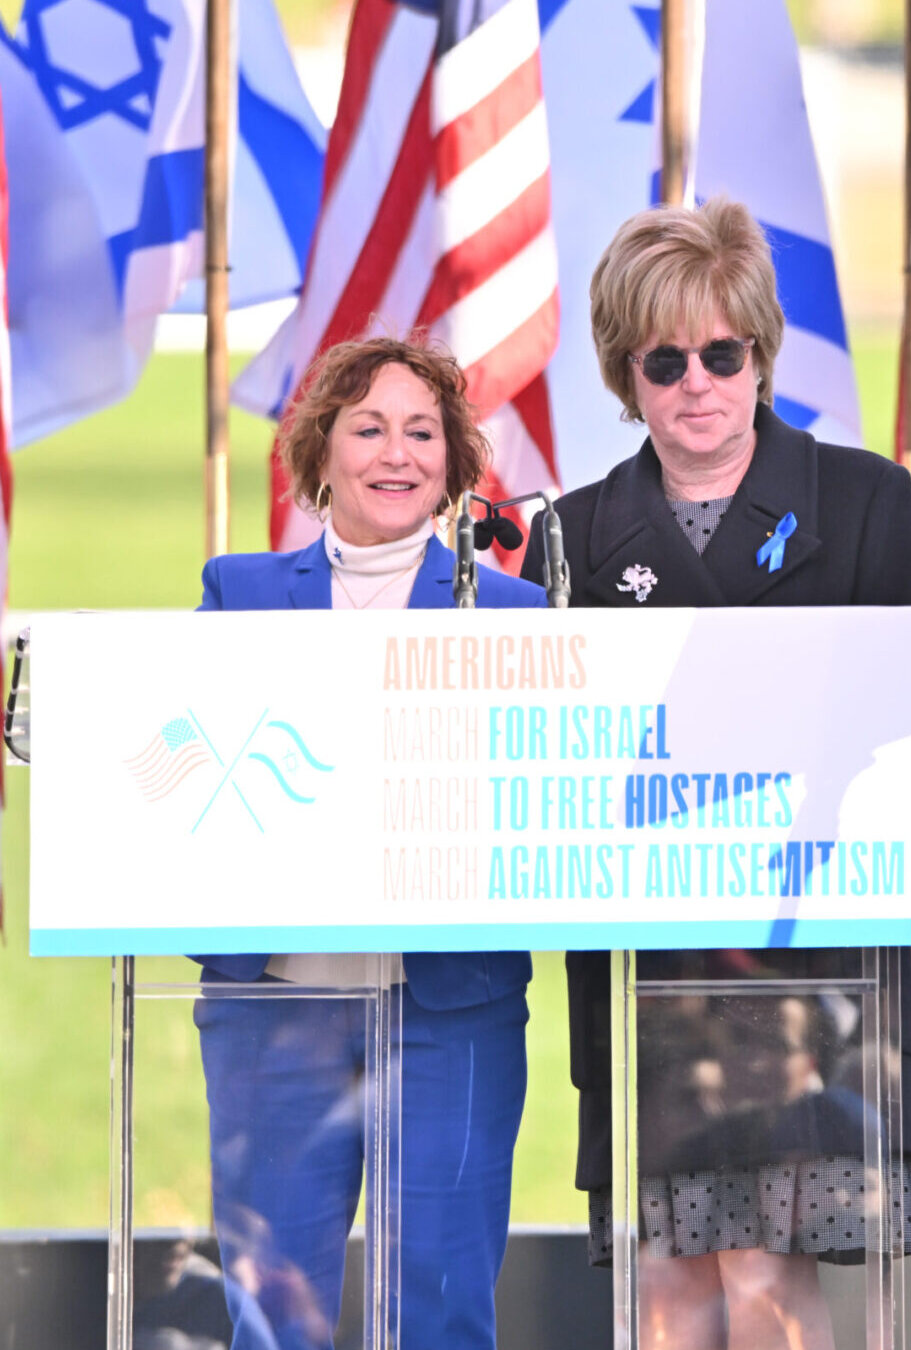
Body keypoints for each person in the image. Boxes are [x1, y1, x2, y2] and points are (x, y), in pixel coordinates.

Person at [520, 199, 911, 1349]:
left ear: (759, 354)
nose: (697, 383)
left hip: (805, 956)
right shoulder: (565, 533)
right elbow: (554, 761)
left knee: (763, 1283)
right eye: (665, 361)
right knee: (666, 1291)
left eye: (723, 353)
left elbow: (909, 731)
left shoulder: (861, 501)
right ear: (625, 373)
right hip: (645, 964)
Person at [192, 336, 545, 1350]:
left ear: (453, 460)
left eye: (423, 432)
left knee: (441, 1311)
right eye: (370, 428)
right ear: (323, 451)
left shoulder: (513, 612)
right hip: (279, 1012)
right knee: (274, 1316)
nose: (398, 454)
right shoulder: (241, 594)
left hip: (450, 1012)